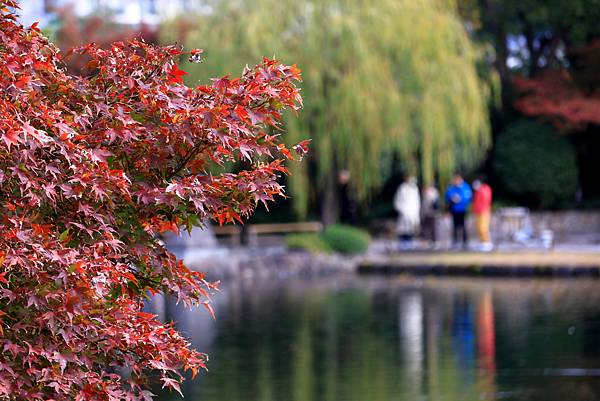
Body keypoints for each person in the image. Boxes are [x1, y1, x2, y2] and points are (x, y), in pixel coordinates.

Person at [445, 174, 472, 249]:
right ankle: (455, 242)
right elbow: (447, 195)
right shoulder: (452, 187)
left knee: (463, 226)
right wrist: (452, 198)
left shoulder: (465, 187)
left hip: (462, 210)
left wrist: (460, 200)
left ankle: (465, 242)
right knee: (454, 226)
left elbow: (468, 197)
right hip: (454, 210)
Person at [394, 175, 421, 249]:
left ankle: (410, 243)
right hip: (404, 211)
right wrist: (401, 209)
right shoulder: (402, 188)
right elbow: (397, 200)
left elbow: (417, 202)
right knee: (403, 229)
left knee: (411, 229)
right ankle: (402, 243)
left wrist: (417, 213)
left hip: (413, 212)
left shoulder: (415, 189)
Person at [472, 178, 493, 251]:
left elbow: (486, 199)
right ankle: (482, 243)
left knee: (483, 228)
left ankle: (487, 243)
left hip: (484, 211)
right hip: (478, 212)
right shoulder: (477, 192)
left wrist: (480, 190)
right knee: (478, 228)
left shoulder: (484, 190)